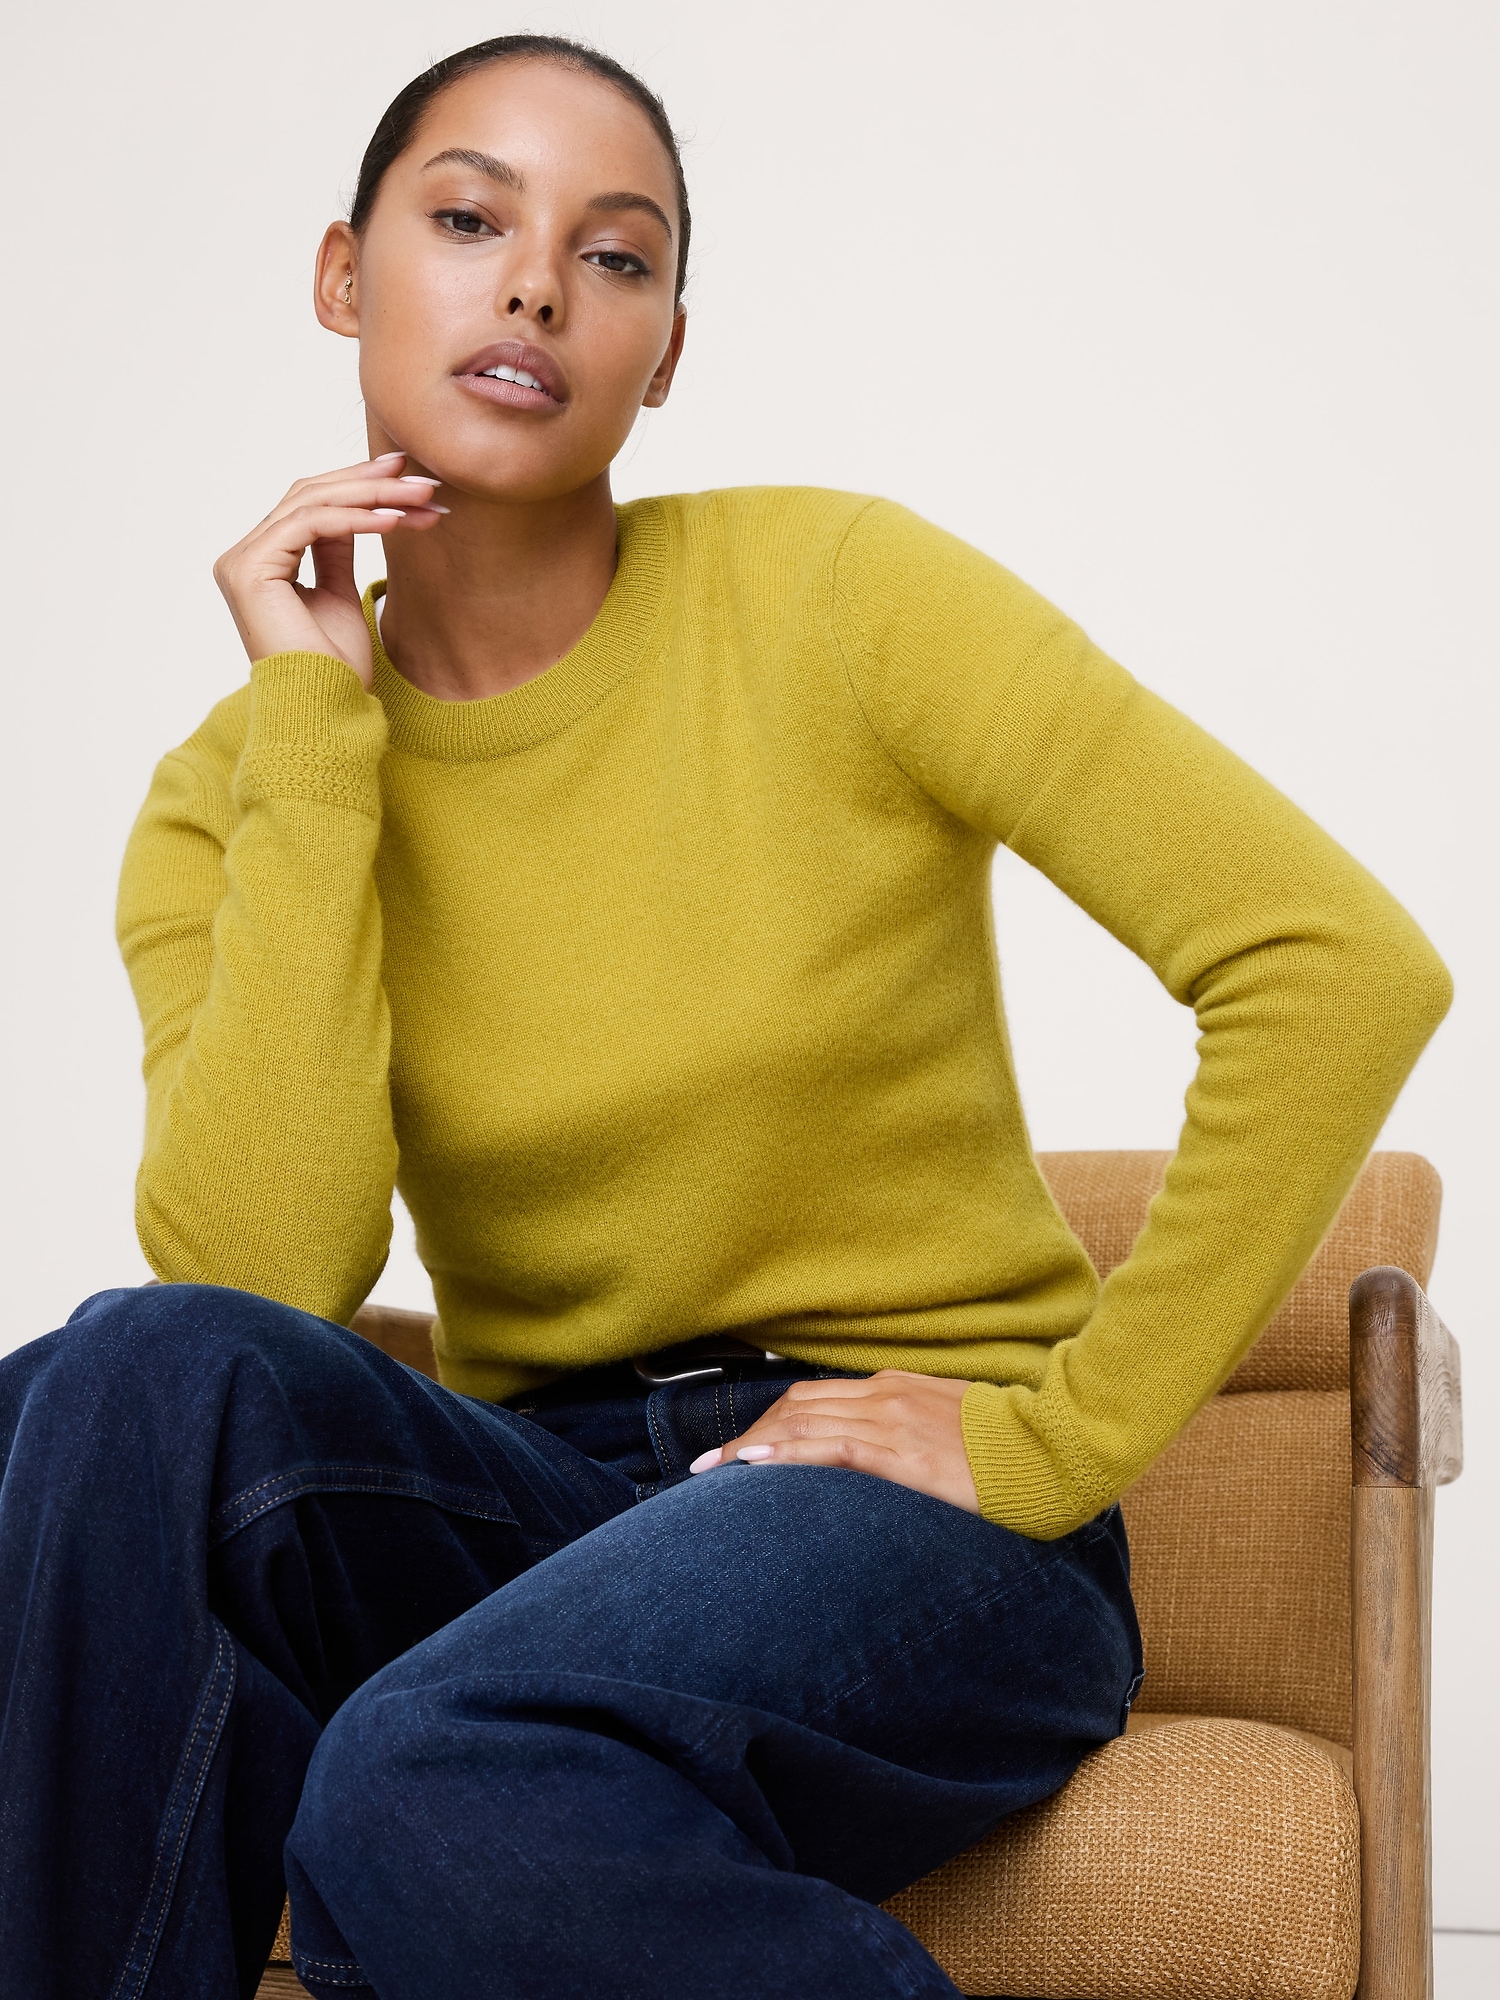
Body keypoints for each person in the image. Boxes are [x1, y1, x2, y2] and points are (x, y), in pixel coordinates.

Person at [0, 33, 1450, 2000]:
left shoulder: (836, 595)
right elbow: (266, 1283)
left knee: (421, 1783)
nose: (535, 286)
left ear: (666, 349)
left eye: (614, 255)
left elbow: (1335, 964)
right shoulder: (232, 796)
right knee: (115, 1375)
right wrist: (319, 736)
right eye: (469, 220)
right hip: (532, 1509)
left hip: (904, 1523)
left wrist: (1052, 1444)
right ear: (344, 275)